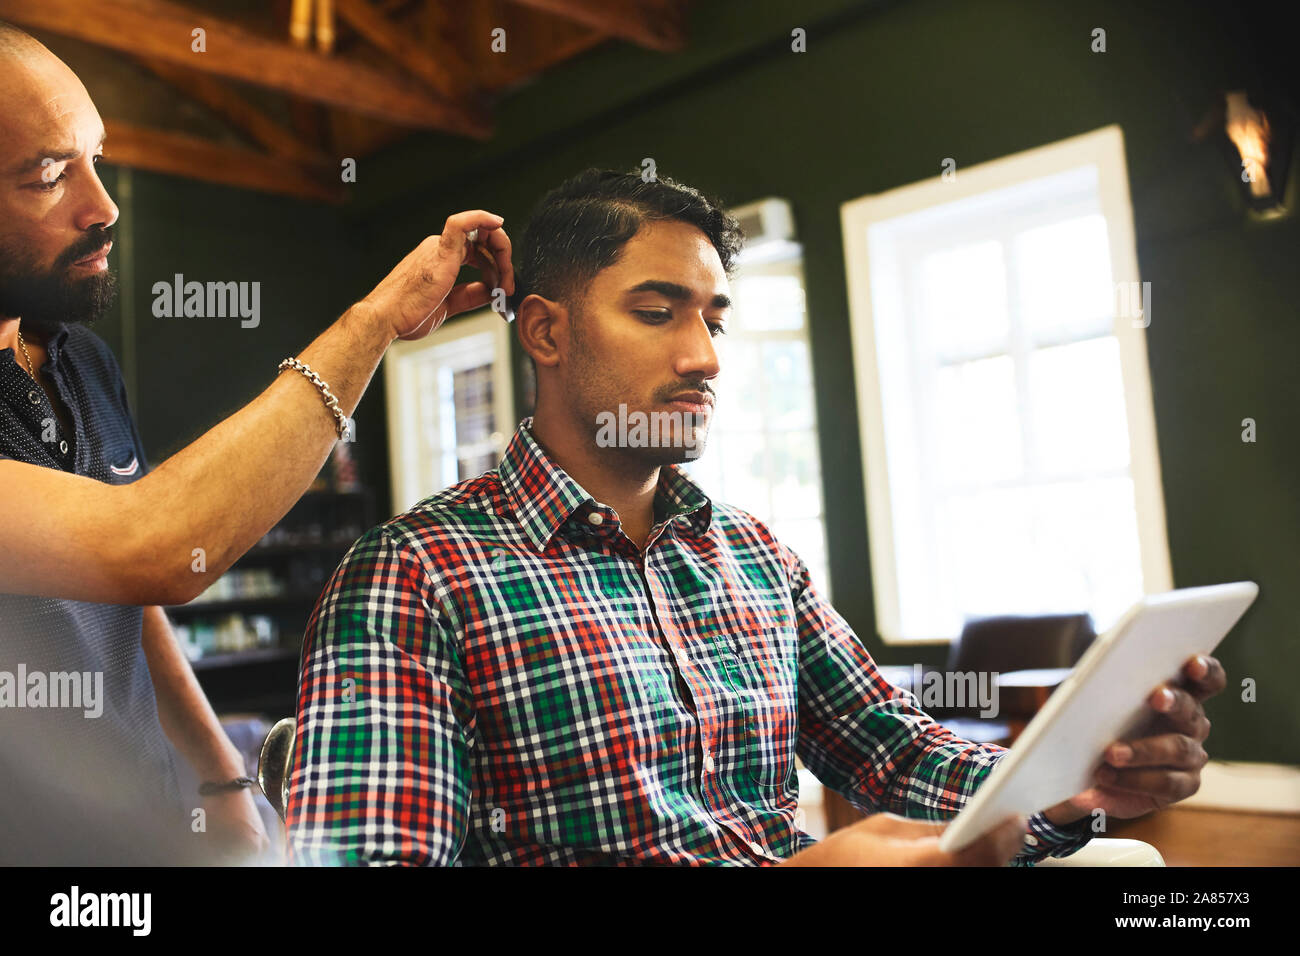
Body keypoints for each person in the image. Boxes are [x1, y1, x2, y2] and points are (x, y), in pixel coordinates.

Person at [286, 168, 1225, 866]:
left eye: (716, 320)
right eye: (658, 313)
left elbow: (892, 749)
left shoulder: (753, 555)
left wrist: (1070, 787)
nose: (705, 357)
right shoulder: (411, 578)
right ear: (546, 333)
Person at [0, 21, 513, 864]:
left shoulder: (78, 356)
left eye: (95, 156)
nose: (103, 205)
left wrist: (218, 773)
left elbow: (123, 591)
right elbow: (156, 545)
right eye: (51, 175)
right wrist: (373, 323)